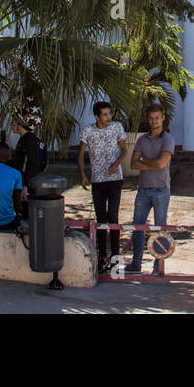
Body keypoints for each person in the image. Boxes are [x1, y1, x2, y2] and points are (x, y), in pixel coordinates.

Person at [78, 101, 127, 273]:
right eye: (104, 115)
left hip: (115, 179)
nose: (108, 118)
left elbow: (124, 150)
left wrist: (117, 163)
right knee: (100, 219)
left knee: (113, 216)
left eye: (109, 114)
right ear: (97, 116)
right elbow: (80, 154)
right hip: (97, 180)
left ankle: (116, 257)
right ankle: (101, 256)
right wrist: (83, 175)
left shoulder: (117, 128)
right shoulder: (88, 131)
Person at [126, 104, 175, 275]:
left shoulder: (167, 139)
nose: (154, 121)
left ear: (163, 118)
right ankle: (136, 263)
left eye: (157, 118)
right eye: (151, 118)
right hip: (143, 189)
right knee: (137, 227)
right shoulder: (142, 140)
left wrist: (144, 161)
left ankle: (158, 266)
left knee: (160, 229)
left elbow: (162, 164)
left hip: (161, 189)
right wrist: (151, 163)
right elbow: (133, 163)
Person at [8, 99, 44, 188]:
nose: (11, 124)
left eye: (14, 121)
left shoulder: (29, 140)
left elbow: (32, 164)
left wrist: (25, 185)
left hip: (25, 186)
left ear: (20, 124)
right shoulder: (24, 139)